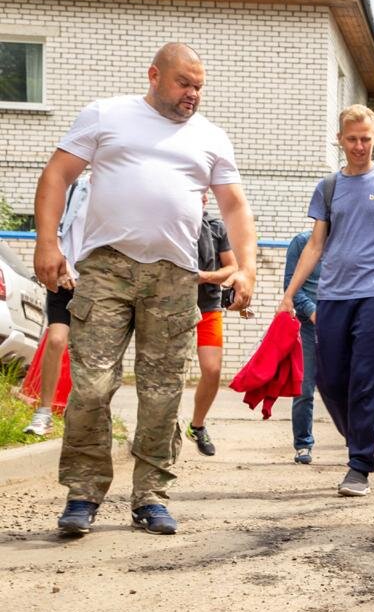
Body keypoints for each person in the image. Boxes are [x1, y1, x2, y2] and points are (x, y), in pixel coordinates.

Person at [33, 42, 257, 536]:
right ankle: (83, 493)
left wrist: (246, 267)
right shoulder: (106, 114)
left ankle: (151, 495)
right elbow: (56, 176)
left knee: (162, 394)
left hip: (174, 278)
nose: (192, 95)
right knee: (91, 386)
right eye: (184, 84)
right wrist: (47, 243)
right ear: (154, 75)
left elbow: (236, 208)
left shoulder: (211, 137)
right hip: (106, 270)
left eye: (199, 86)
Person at [277, 104, 374, 497]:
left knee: (368, 379)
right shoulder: (328, 187)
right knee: (329, 380)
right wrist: (289, 294)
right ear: (340, 140)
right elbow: (315, 245)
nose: (359, 146)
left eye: (366, 139)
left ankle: (359, 465)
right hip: (332, 294)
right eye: (352, 139)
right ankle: (361, 437)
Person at [23, 174, 89, 436]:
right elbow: (57, 228)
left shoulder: (122, 189)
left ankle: (84, 415)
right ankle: (44, 413)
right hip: (67, 278)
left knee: (89, 351)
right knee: (56, 340)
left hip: (100, 283)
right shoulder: (76, 186)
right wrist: (60, 266)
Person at [186, 208, 238, 456]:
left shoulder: (216, 226)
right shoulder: (168, 220)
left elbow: (231, 267)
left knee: (212, 369)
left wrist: (206, 276)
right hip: (172, 306)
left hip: (208, 305)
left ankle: (197, 425)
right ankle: (162, 428)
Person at [283, 229, 322, 464]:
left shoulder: (347, 242)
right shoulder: (300, 243)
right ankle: (303, 444)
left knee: (347, 386)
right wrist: (312, 311)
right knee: (305, 389)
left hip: (341, 323)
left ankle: (355, 442)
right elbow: (291, 286)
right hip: (309, 326)